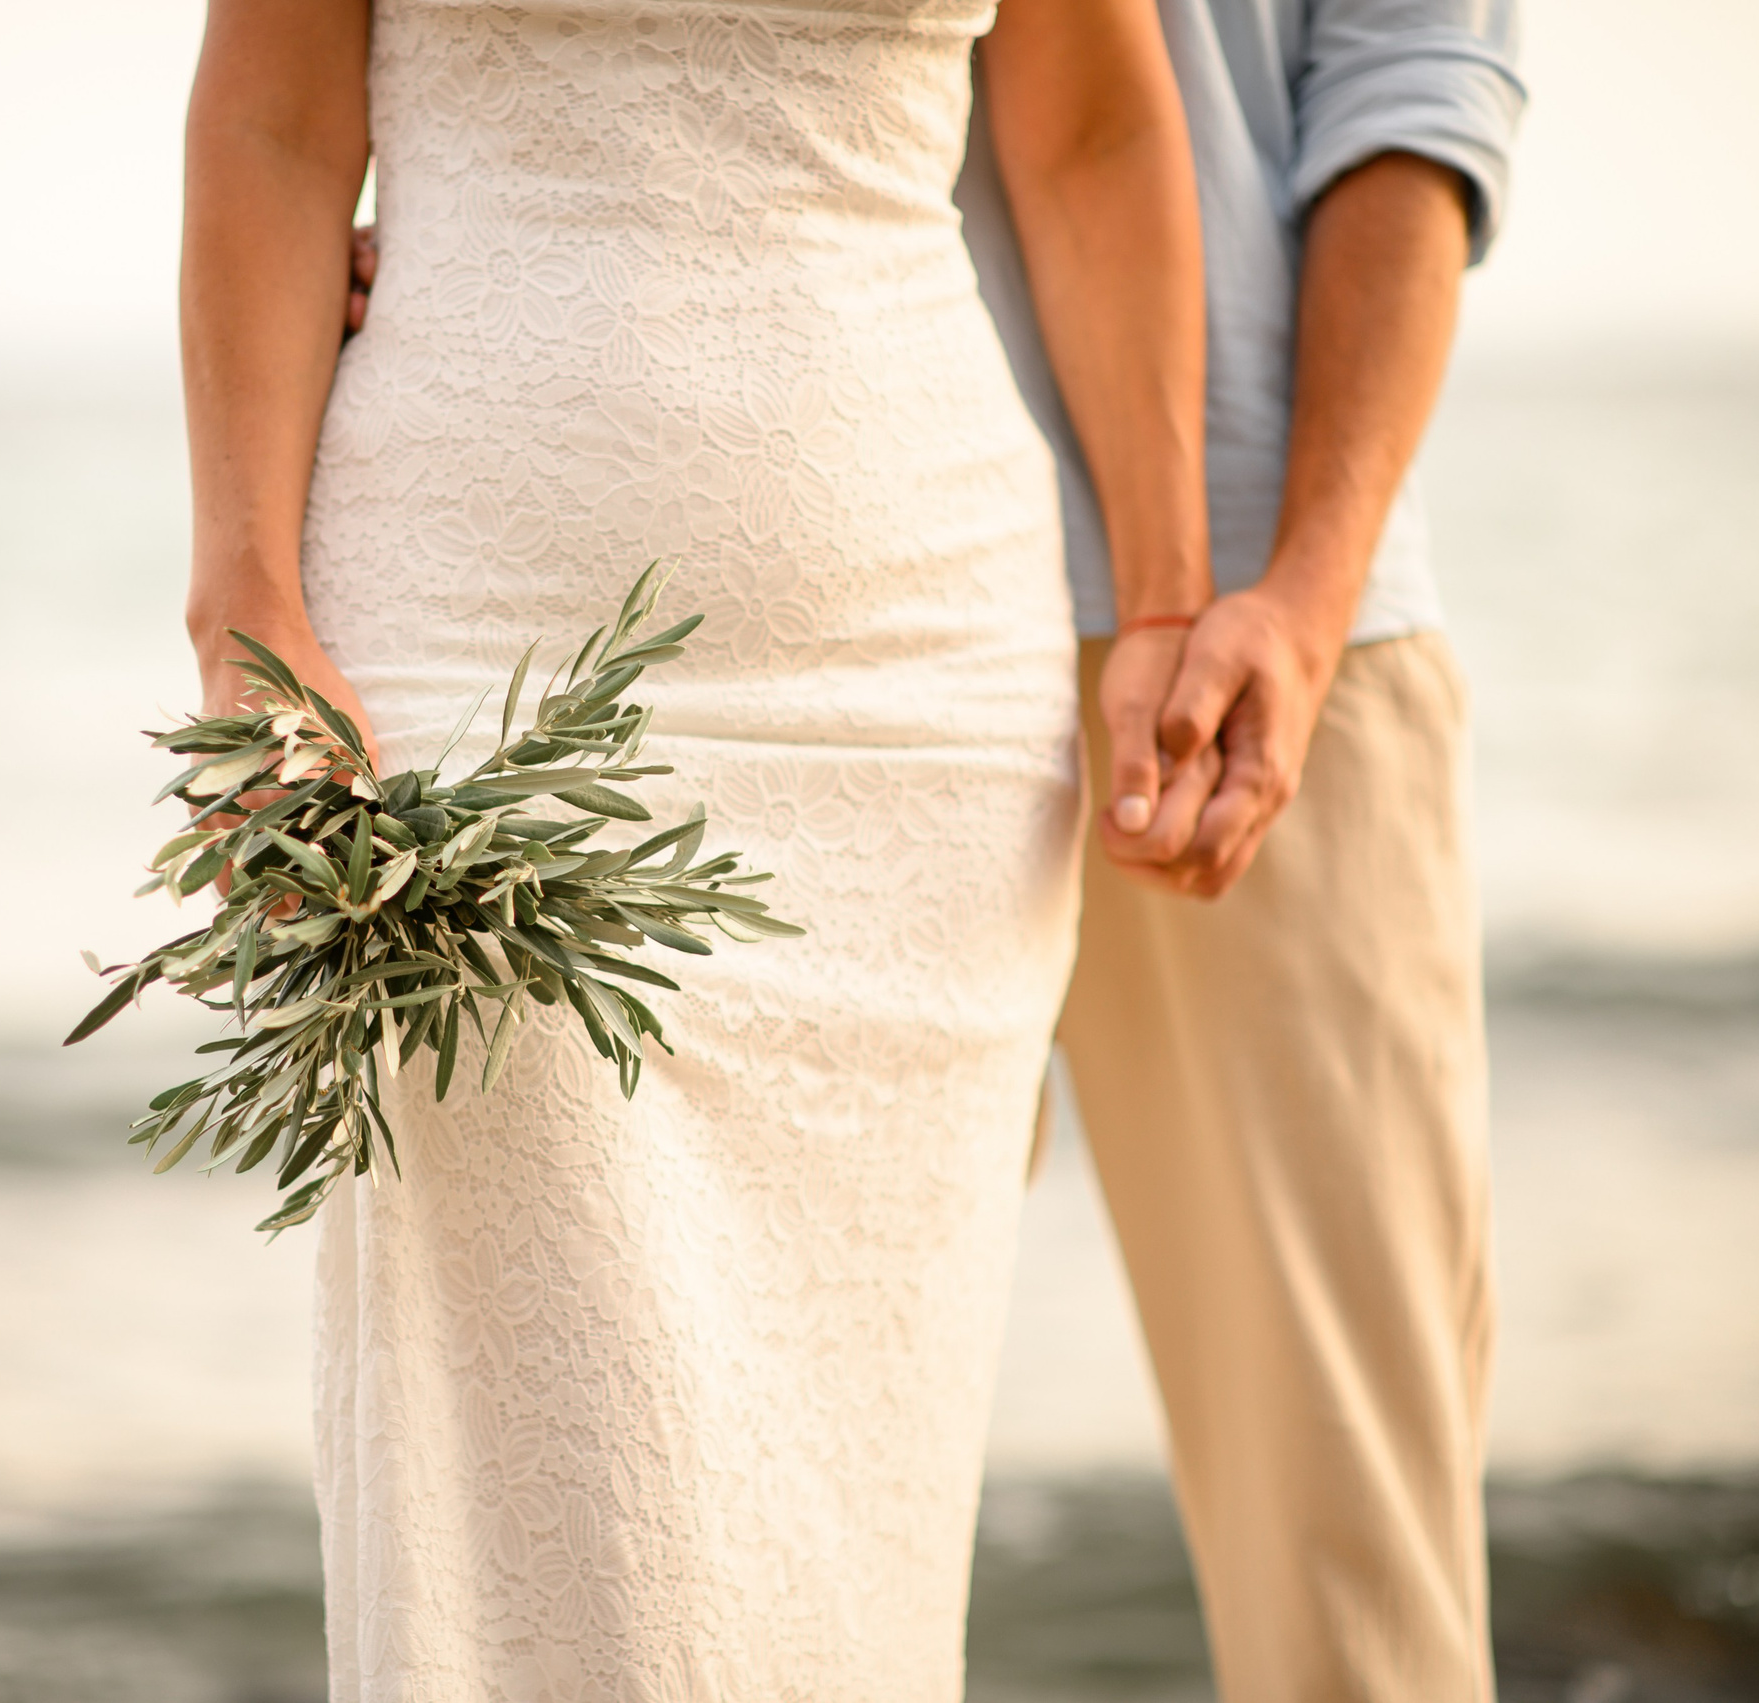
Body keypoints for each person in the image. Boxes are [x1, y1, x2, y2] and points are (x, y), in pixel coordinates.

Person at [180, 1, 1213, 1696]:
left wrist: (1168, 590)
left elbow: (1094, 131)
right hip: (479, 655)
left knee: (846, 1512)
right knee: (538, 1480)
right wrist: (246, 613)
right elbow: (275, 126)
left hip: (912, 700)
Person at [955, 3, 1525, 1699]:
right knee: (752, 1470)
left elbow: (1422, 72)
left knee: (1349, 1554)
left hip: (1255, 649)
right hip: (791, 637)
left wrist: (1307, 587)